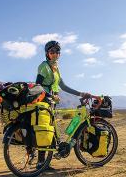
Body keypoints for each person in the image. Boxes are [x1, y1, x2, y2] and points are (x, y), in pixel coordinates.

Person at [35, 40, 89, 169]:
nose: (54, 54)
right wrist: (50, 96)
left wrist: (81, 93)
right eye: (52, 52)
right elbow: (38, 86)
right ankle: (40, 163)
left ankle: (44, 163)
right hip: (44, 101)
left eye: (57, 52)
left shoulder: (55, 68)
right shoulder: (44, 66)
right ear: (47, 54)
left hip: (51, 102)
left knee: (51, 131)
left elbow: (63, 86)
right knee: (46, 130)